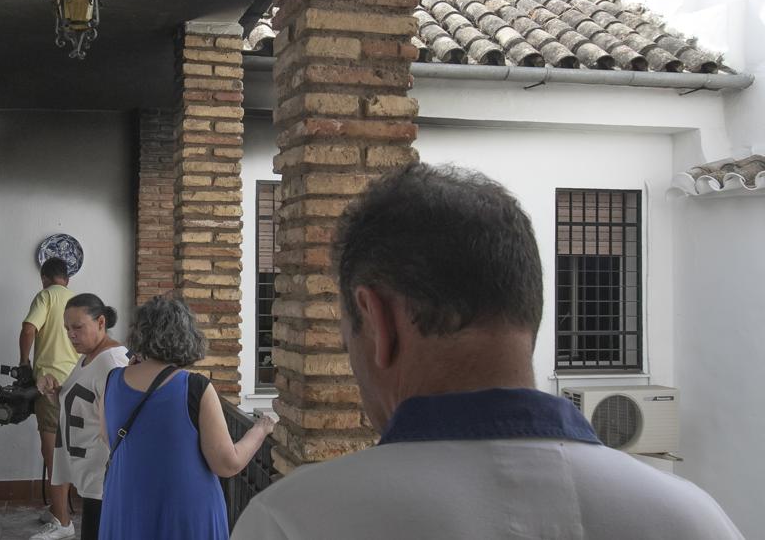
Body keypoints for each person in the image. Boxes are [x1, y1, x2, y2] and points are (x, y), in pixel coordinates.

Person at [232, 163, 743, 539]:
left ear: (378, 321)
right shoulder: (696, 520)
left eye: (348, 336)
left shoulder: (296, 522)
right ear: (531, 306)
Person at [99, 296, 275, 540]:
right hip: (184, 513)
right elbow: (227, 464)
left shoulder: (112, 380)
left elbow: (106, 437)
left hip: (126, 505)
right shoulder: (195, 387)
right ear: (186, 335)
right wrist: (261, 429)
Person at [37, 294, 131, 540]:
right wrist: (54, 392)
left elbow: (124, 420)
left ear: (101, 322)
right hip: (91, 477)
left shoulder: (113, 362)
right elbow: (83, 403)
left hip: (104, 480)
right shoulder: (88, 357)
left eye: (78, 327)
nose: (71, 335)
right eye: (67, 329)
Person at [19, 258, 80, 539]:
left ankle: (63, 524)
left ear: (45, 278)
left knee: (51, 450)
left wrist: (24, 363)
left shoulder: (45, 296)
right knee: (64, 449)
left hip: (50, 385)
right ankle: (58, 511)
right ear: (66, 279)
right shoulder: (77, 300)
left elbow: (29, 328)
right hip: (76, 384)